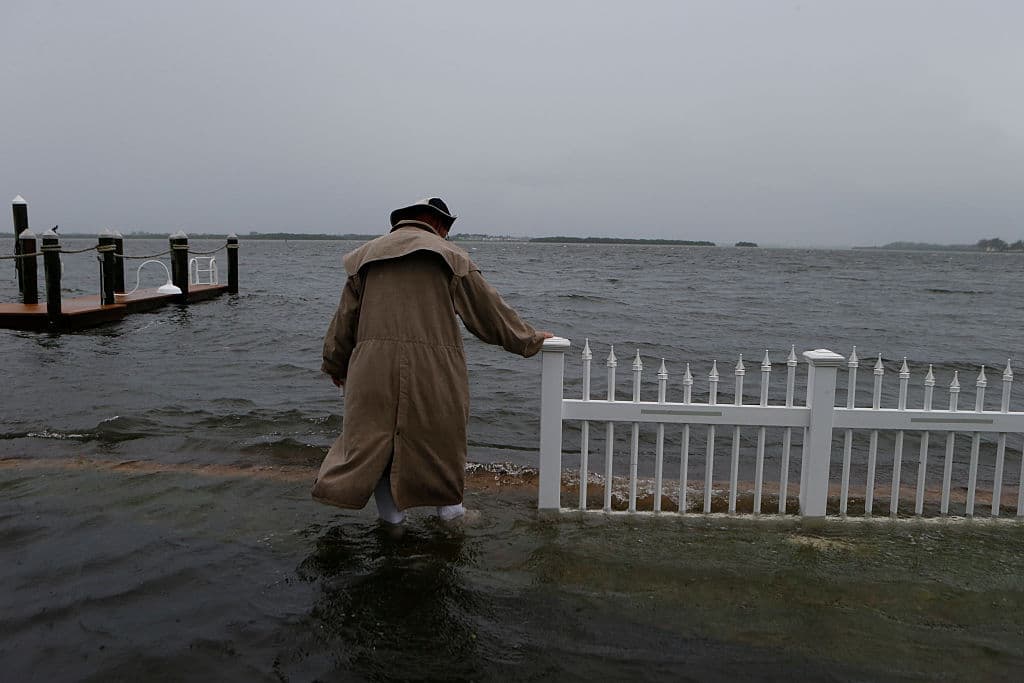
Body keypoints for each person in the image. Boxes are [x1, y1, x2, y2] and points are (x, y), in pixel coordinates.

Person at [312, 197, 553, 524]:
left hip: (370, 371)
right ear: (438, 223)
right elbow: (490, 315)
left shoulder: (365, 257)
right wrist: (530, 339)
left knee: (378, 447)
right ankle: (451, 518)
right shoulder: (451, 257)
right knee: (442, 444)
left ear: (402, 221)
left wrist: (335, 365)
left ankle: (393, 524)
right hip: (433, 371)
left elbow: (344, 321)